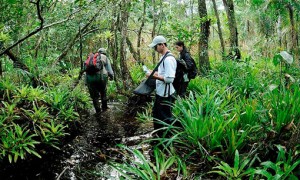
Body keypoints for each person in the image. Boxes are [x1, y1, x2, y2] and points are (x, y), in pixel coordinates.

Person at [147, 35, 177, 138]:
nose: (155, 49)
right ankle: (159, 137)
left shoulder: (169, 59)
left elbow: (169, 79)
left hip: (166, 94)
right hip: (161, 92)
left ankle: (166, 139)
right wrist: (153, 72)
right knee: (157, 115)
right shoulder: (163, 57)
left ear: (162, 45)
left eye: (156, 47)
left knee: (165, 117)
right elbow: (162, 73)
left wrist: (154, 76)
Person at [85, 48, 114, 114]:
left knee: (94, 96)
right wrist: (112, 77)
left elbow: (85, 71)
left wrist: (86, 82)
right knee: (103, 93)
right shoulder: (105, 57)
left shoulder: (91, 57)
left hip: (90, 78)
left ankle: (98, 111)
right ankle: (104, 108)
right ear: (105, 53)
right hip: (101, 77)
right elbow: (110, 70)